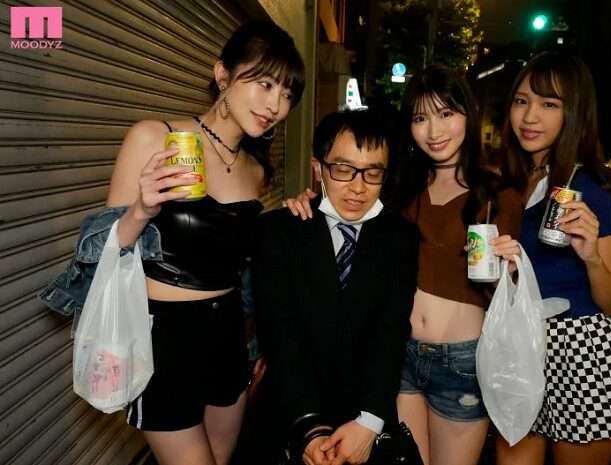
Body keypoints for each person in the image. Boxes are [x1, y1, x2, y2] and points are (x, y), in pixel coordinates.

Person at [40, 21, 305, 465]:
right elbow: (99, 255)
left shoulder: (257, 170)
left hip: (229, 338)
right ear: (222, 74)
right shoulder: (153, 137)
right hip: (162, 342)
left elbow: (243, 259)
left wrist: (294, 217)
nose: (276, 105)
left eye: (287, 93)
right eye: (264, 84)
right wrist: (141, 210)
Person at [284, 65, 523, 465]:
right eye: (420, 118)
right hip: (400, 356)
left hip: (461, 361)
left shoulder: (497, 194)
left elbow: (505, 298)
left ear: (469, 115)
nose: (434, 130)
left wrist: (509, 271)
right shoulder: (399, 188)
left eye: (446, 113)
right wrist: (309, 203)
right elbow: (348, 207)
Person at [496, 51, 611, 465]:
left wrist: (592, 256)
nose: (530, 117)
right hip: (519, 345)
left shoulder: (598, 189)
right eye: (522, 101)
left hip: (580, 352)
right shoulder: (509, 183)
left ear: (574, 113)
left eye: (549, 104)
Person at [252, 109, 419, 465]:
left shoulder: (399, 237)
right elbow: (279, 336)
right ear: (318, 168)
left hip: (365, 417)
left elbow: (391, 335)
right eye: (343, 170)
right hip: (291, 413)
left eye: (372, 173)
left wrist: (368, 423)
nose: (358, 187)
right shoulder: (278, 232)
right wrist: (309, 428)